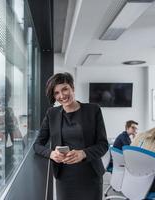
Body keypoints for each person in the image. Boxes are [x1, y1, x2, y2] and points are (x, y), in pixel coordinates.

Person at [33, 72, 108, 200]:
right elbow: (37, 145)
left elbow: (103, 145)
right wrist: (51, 154)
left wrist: (83, 153)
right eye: (56, 93)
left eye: (65, 89)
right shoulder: (52, 113)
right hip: (64, 178)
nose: (62, 95)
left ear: (72, 88)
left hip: (91, 176)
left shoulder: (93, 110)